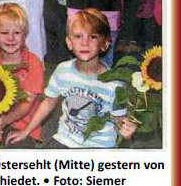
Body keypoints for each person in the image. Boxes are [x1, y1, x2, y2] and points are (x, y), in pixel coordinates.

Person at [7, 8, 136, 148]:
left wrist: (127, 131)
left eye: (92, 37)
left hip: (98, 146)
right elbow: (49, 102)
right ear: (69, 42)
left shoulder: (114, 83)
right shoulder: (63, 71)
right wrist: (27, 131)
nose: (84, 43)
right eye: (78, 36)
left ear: (104, 44)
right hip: (65, 140)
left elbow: (119, 121)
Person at [0, 2, 45, 149]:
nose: (11, 38)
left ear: (24, 35)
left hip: (24, 126)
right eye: (4, 33)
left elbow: (26, 105)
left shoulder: (34, 63)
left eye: (17, 33)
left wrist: (4, 122)